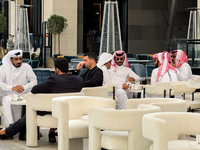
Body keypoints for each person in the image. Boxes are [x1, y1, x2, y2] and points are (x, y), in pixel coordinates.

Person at [0, 58, 84, 142]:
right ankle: (51, 130)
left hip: (53, 111)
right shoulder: (79, 81)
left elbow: (34, 89)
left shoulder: (53, 81)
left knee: (30, 113)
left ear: (57, 70)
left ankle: (7, 131)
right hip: (71, 111)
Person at [0, 50, 37, 127]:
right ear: (11, 60)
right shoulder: (3, 68)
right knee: (7, 102)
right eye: (16, 59)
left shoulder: (27, 67)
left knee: (34, 101)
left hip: (23, 94)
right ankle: (10, 127)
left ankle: (33, 127)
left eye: (20, 59)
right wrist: (12, 88)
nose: (19, 61)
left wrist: (24, 87)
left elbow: (34, 81)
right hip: (7, 95)